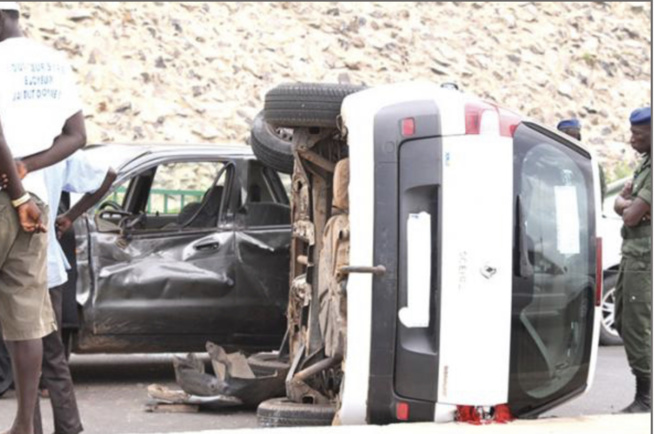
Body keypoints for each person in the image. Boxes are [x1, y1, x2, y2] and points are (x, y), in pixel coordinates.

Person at [0, 2, 87, 433]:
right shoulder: (54, 61)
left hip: (13, 199)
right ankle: (23, 425)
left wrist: (14, 190)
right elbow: (77, 136)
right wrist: (25, 168)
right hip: (36, 203)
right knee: (27, 320)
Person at [32, 153, 116, 434]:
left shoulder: (17, 151)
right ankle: (68, 427)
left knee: (25, 357)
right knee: (52, 356)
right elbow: (108, 175)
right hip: (50, 266)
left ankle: (29, 428)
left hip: (22, 267)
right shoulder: (57, 151)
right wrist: (70, 216)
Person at [613, 107, 652, 413]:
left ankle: (646, 398)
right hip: (632, 257)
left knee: (638, 326)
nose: (631, 140)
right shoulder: (644, 166)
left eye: (637, 134)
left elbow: (630, 214)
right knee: (622, 321)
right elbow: (621, 206)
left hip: (645, 261)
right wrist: (627, 205)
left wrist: (628, 207)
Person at [557, 118, 607, 202]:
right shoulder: (550, 162)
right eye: (569, 136)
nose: (572, 141)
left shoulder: (589, 164)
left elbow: (599, 192)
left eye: (576, 136)